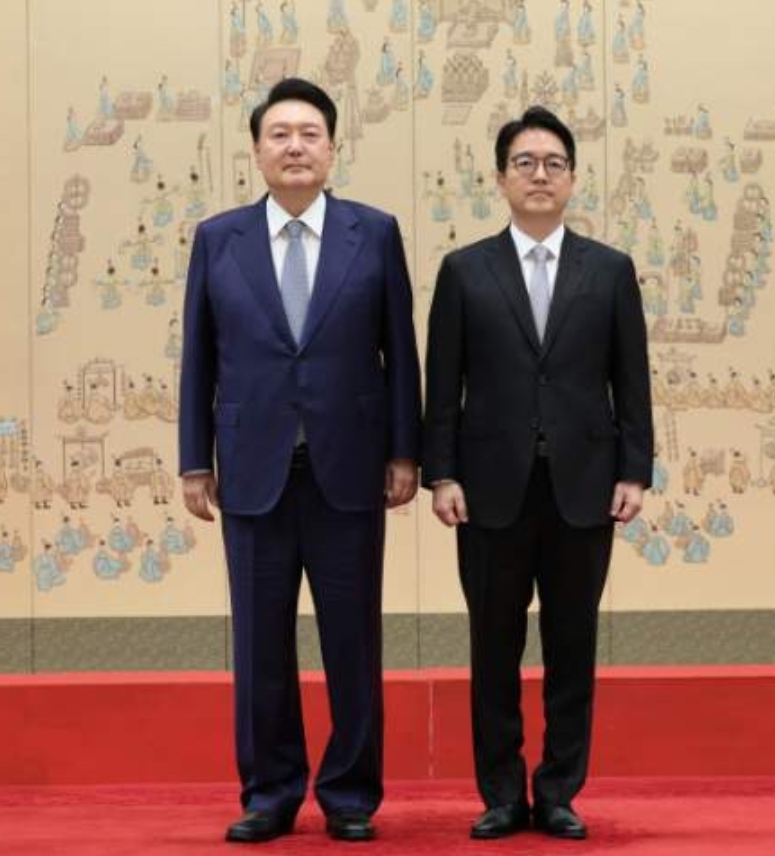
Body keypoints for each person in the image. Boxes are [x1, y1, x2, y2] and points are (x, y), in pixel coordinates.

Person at [179, 78, 421, 844]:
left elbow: (399, 351)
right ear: (256, 151)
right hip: (252, 469)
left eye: (309, 133)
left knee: (352, 641)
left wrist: (404, 451)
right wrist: (193, 460)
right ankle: (269, 792)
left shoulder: (372, 233)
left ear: (332, 147)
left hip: (349, 468)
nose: (294, 146)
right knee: (259, 645)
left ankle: (350, 794)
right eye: (278, 134)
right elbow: (199, 359)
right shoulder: (218, 239)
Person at [422, 107, 653, 841]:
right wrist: (441, 474)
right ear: (500, 178)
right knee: (492, 648)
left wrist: (635, 472)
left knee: (571, 646)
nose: (540, 175)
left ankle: (557, 791)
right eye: (524, 162)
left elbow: (632, 380)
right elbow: (442, 385)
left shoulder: (608, 270)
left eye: (554, 163)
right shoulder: (464, 271)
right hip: (489, 490)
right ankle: (499, 793)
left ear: (573, 178)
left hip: (584, 488)